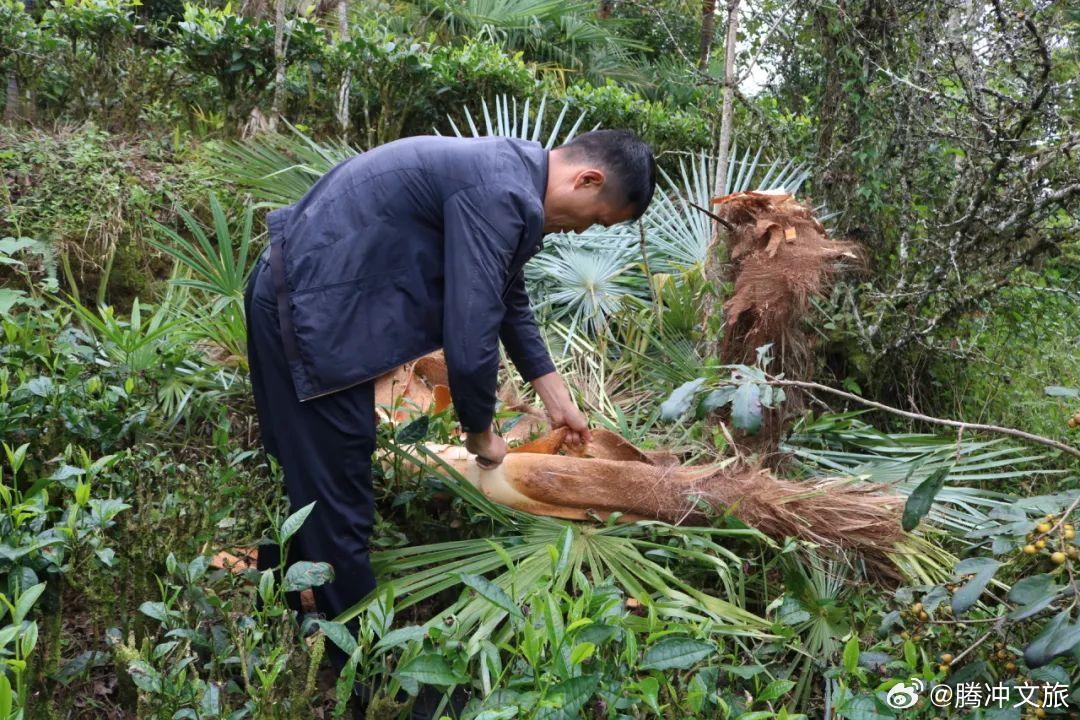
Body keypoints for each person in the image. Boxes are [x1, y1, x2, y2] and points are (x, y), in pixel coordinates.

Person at [242, 129, 656, 709]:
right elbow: (470, 334)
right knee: (339, 502)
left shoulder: (507, 175)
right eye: (593, 220)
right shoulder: (503, 191)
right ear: (587, 180)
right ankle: (376, 684)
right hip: (313, 309)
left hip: (306, 292)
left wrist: (555, 394)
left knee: (311, 477)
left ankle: (283, 609)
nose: (580, 231)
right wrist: (481, 432)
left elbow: (506, 295)